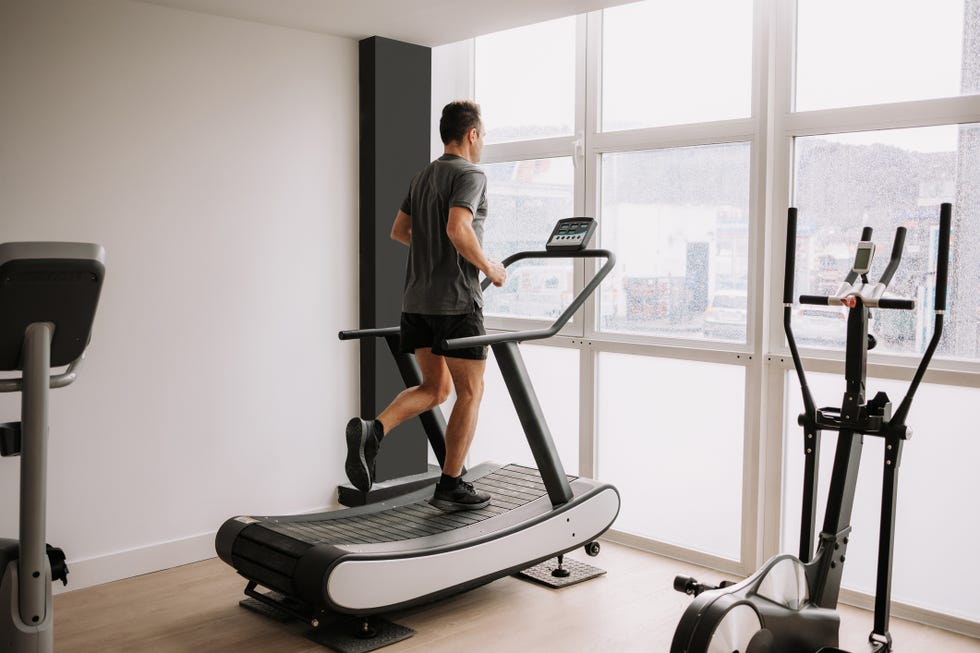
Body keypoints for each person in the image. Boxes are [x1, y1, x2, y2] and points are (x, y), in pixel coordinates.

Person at [345, 100, 506, 512]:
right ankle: (451, 483)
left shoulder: (422, 176)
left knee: (435, 388)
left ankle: (375, 430)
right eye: (483, 135)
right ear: (471, 134)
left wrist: (434, 246)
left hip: (416, 302)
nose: (483, 142)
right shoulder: (471, 174)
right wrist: (489, 265)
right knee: (470, 392)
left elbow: (399, 231)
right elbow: (458, 227)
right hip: (457, 304)